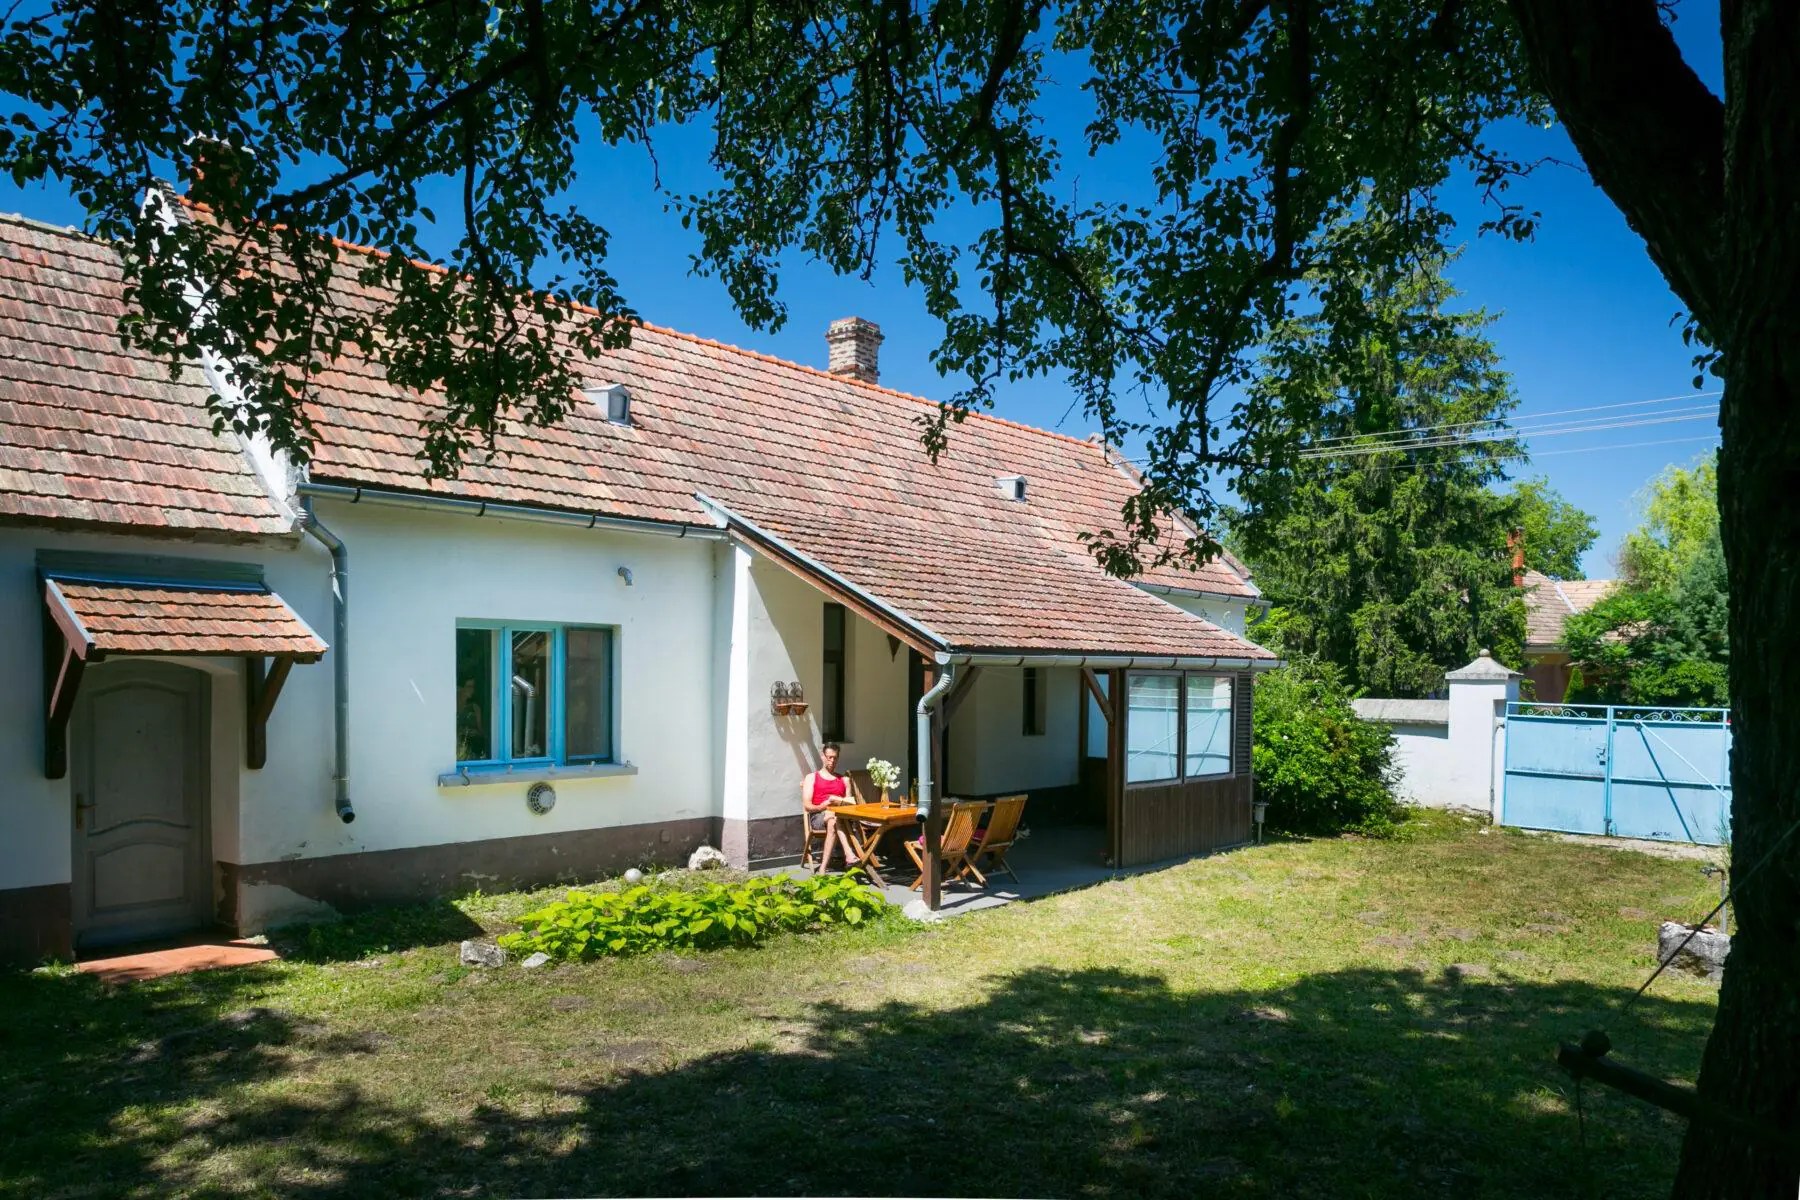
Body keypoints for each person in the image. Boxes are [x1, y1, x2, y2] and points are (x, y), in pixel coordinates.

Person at [802, 742, 858, 873]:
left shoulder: (844, 780)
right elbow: (807, 805)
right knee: (832, 818)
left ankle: (822, 869)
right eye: (829, 757)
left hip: (840, 816)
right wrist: (822, 806)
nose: (832, 761)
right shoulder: (811, 778)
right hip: (819, 817)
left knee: (834, 819)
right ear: (823, 757)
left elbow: (849, 804)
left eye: (835, 758)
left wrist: (840, 803)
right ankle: (849, 854)